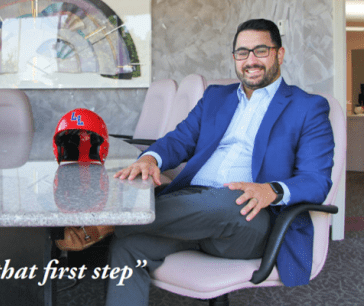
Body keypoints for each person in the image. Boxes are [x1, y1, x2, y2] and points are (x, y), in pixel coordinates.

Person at [105, 19, 334, 306]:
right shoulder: (216, 97)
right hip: (192, 214)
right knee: (128, 248)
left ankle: (106, 223)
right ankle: (116, 227)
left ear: (280, 54)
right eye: (242, 53)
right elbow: (179, 140)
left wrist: (271, 190)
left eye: (260, 51)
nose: (250, 60)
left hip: (248, 217)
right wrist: (151, 158)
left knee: (228, 200)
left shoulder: (307, 107)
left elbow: (317, 180)